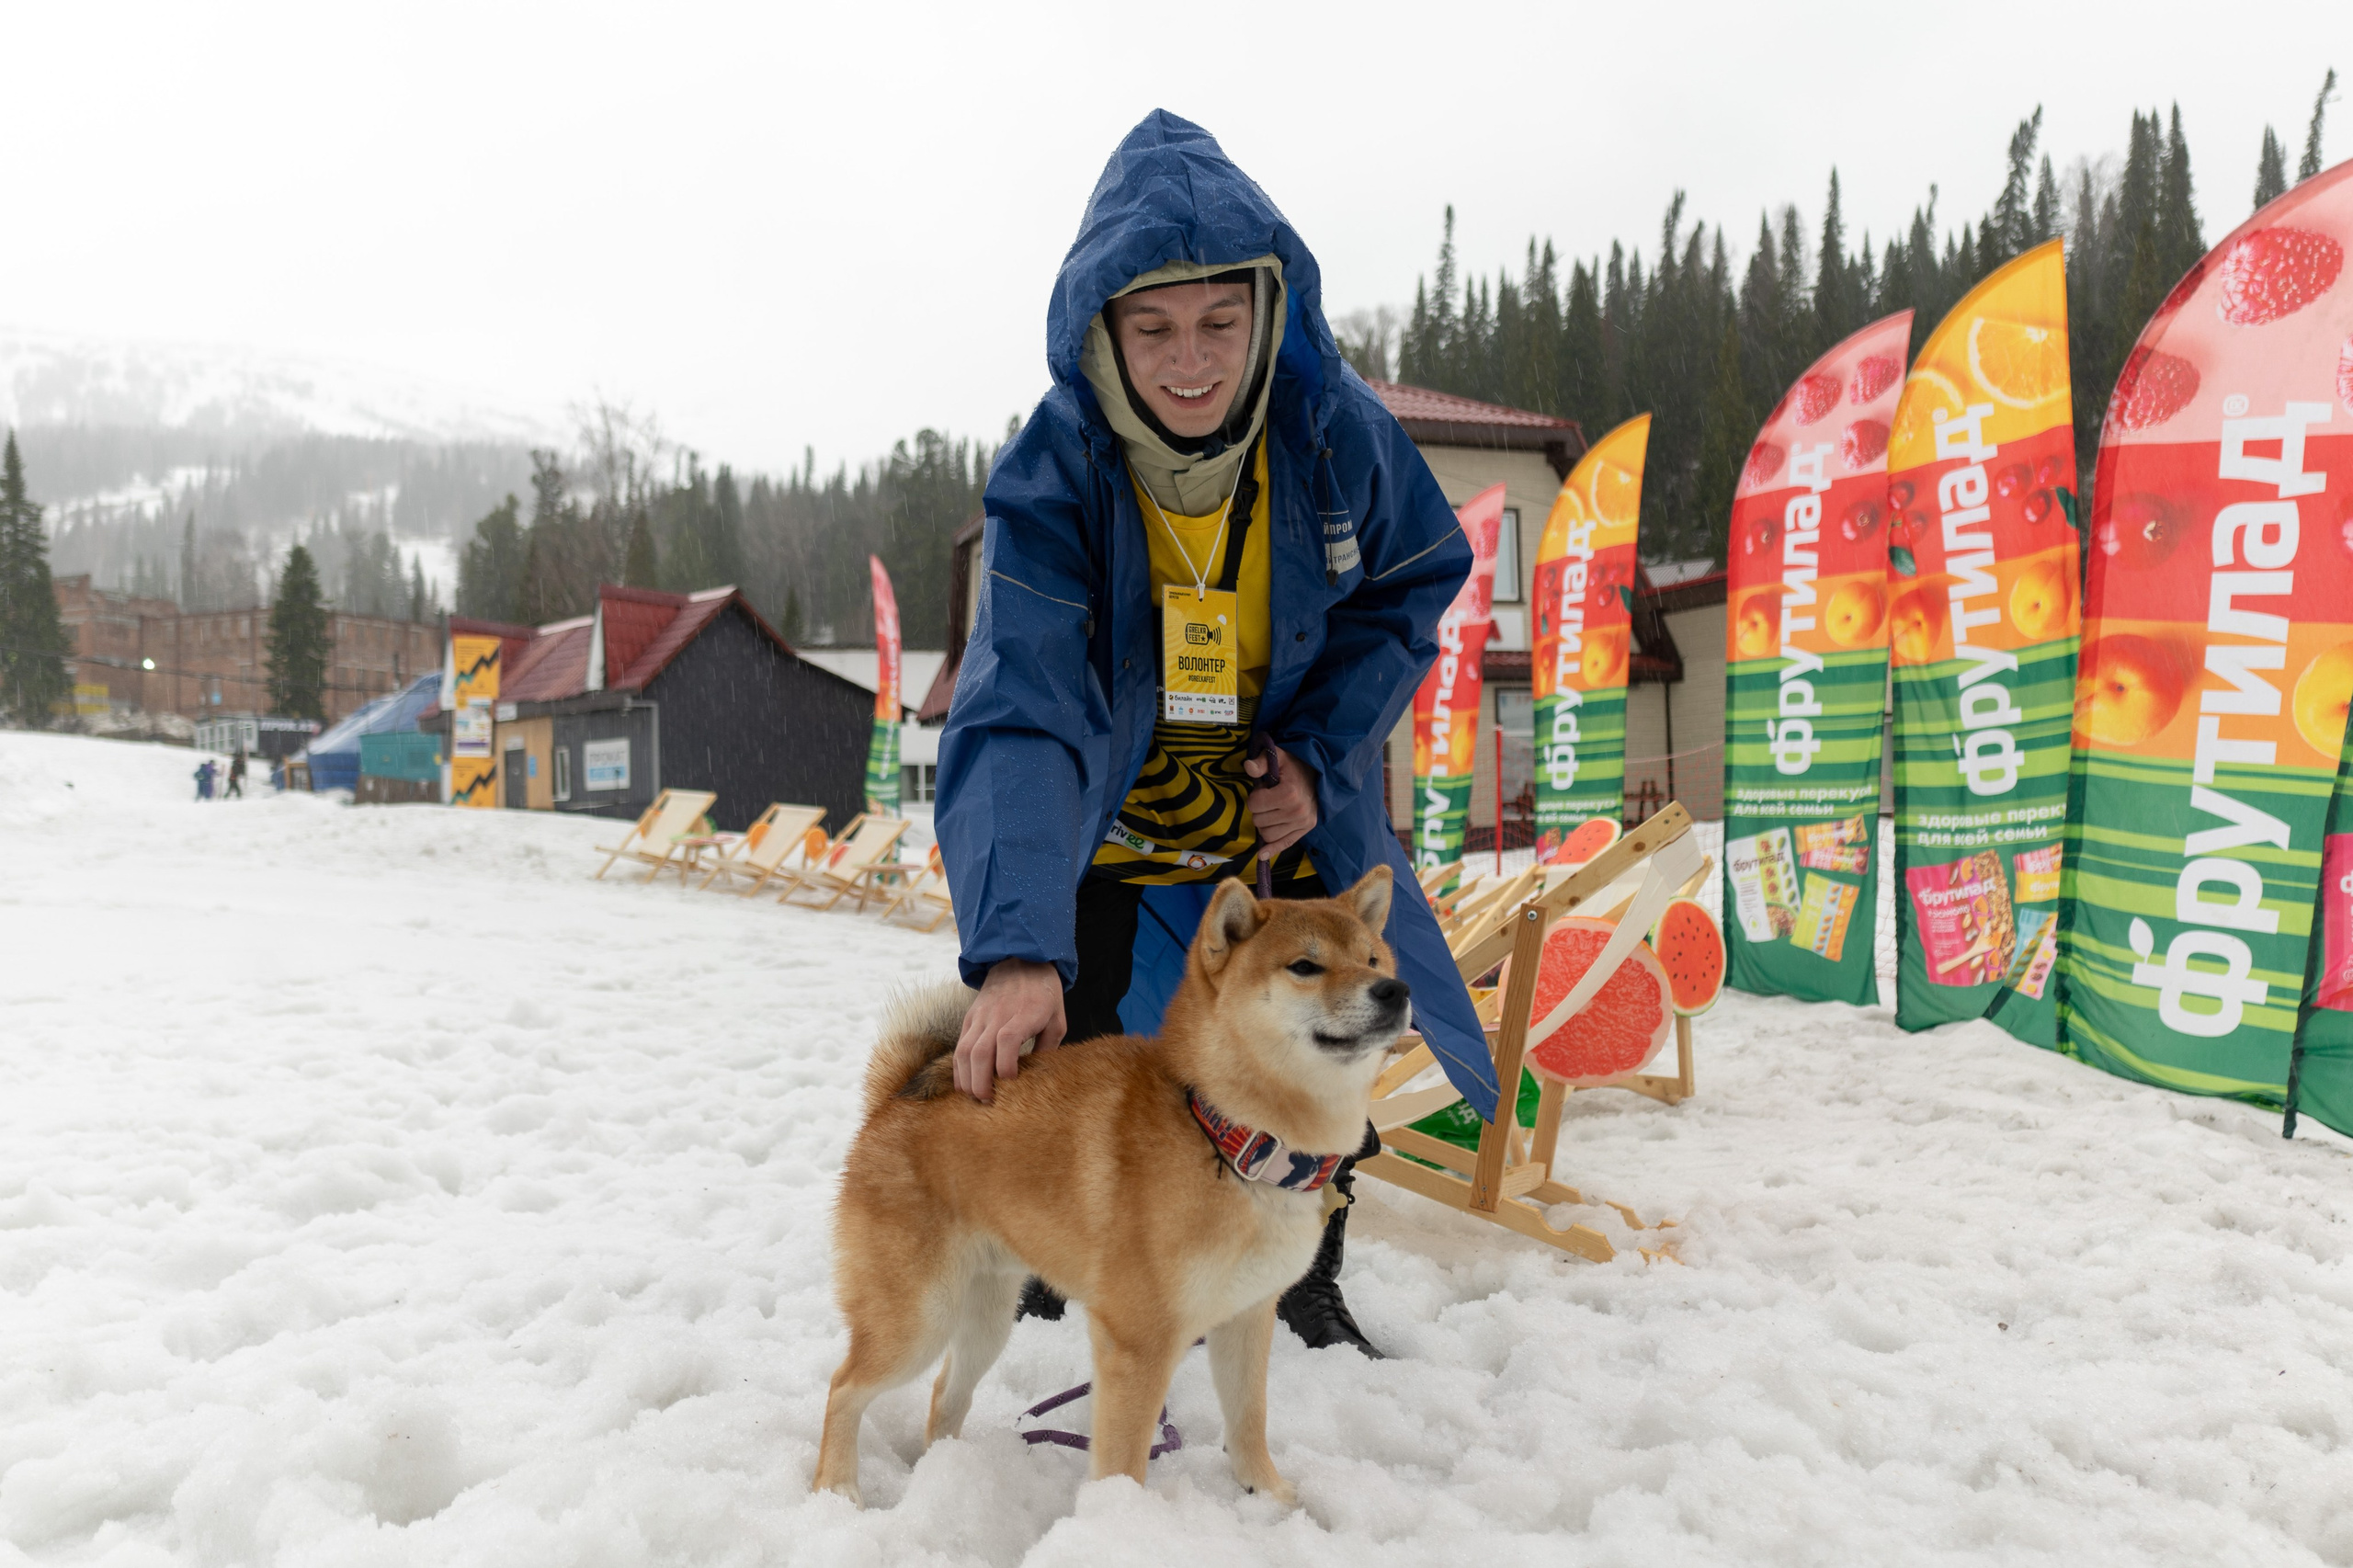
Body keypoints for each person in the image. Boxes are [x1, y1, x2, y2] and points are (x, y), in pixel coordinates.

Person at [935, 111, 1498, 1358]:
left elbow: (1415, 575)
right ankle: (1055, 1269)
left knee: (1327, 1029)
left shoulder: (1330, 432)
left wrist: (1316, 749)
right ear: (1102, 332)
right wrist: (1015, 943)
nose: (1190, 361)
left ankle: (1303, 1280)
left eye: (1217, 324)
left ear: (1265, 312)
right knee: (1061, 1046)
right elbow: (1019, 702)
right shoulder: (1054, 476)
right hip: (1113, 820)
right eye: (1153, 328)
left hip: (1274, 806)